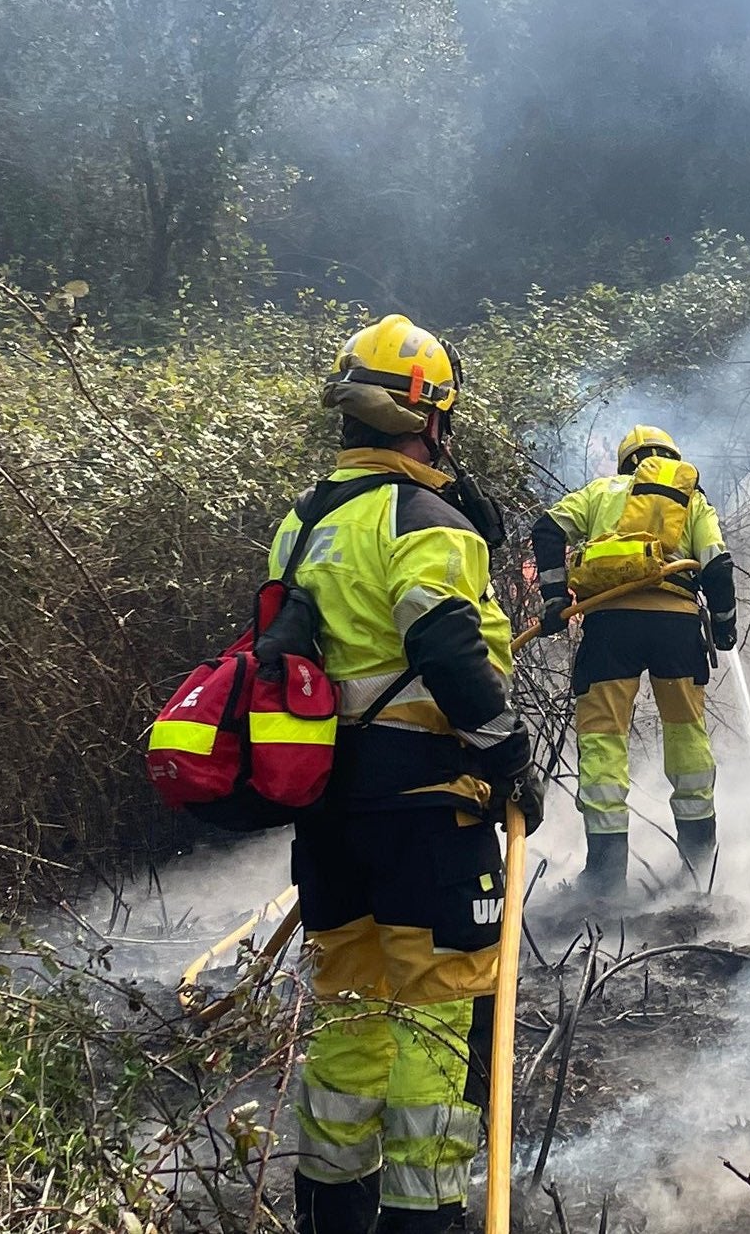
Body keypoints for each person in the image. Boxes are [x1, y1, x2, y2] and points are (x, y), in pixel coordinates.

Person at [276, 314, 541, 1234]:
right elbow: (446, 648)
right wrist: (511, 755)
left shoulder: (303, 523)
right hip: (428, 809)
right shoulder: (426, 521)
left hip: (327, 809)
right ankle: (426, 1219)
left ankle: (330, 1217)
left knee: (349, 1012)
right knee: (439, 1019)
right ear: (428, 418)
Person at [529, 424, 738, 889]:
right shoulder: (691, 499)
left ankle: (605, 878)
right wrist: (724, 626)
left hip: (610, 627)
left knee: (603, 741)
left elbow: (546, 528)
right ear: (670, 458)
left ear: (626, 461)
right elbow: (718, 565)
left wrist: (553, 597)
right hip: (678, 629)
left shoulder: (601, 492)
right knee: (686, 736)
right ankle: (699, 866)